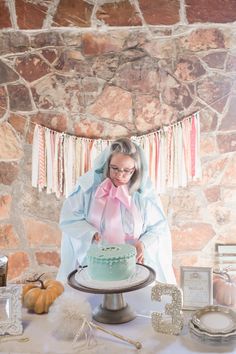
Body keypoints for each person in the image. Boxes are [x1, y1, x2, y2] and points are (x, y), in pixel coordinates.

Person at [57, 138, 176, 284]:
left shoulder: (143, 197)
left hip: (133, 266)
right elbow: (69, 220)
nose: (120, 175)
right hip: (95, 267)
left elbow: (158, 228)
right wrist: (90, 233)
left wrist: (142, 244)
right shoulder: (88, 190)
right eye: (115, 168)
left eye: (127, 171)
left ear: (136, 170)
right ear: (107, 165)